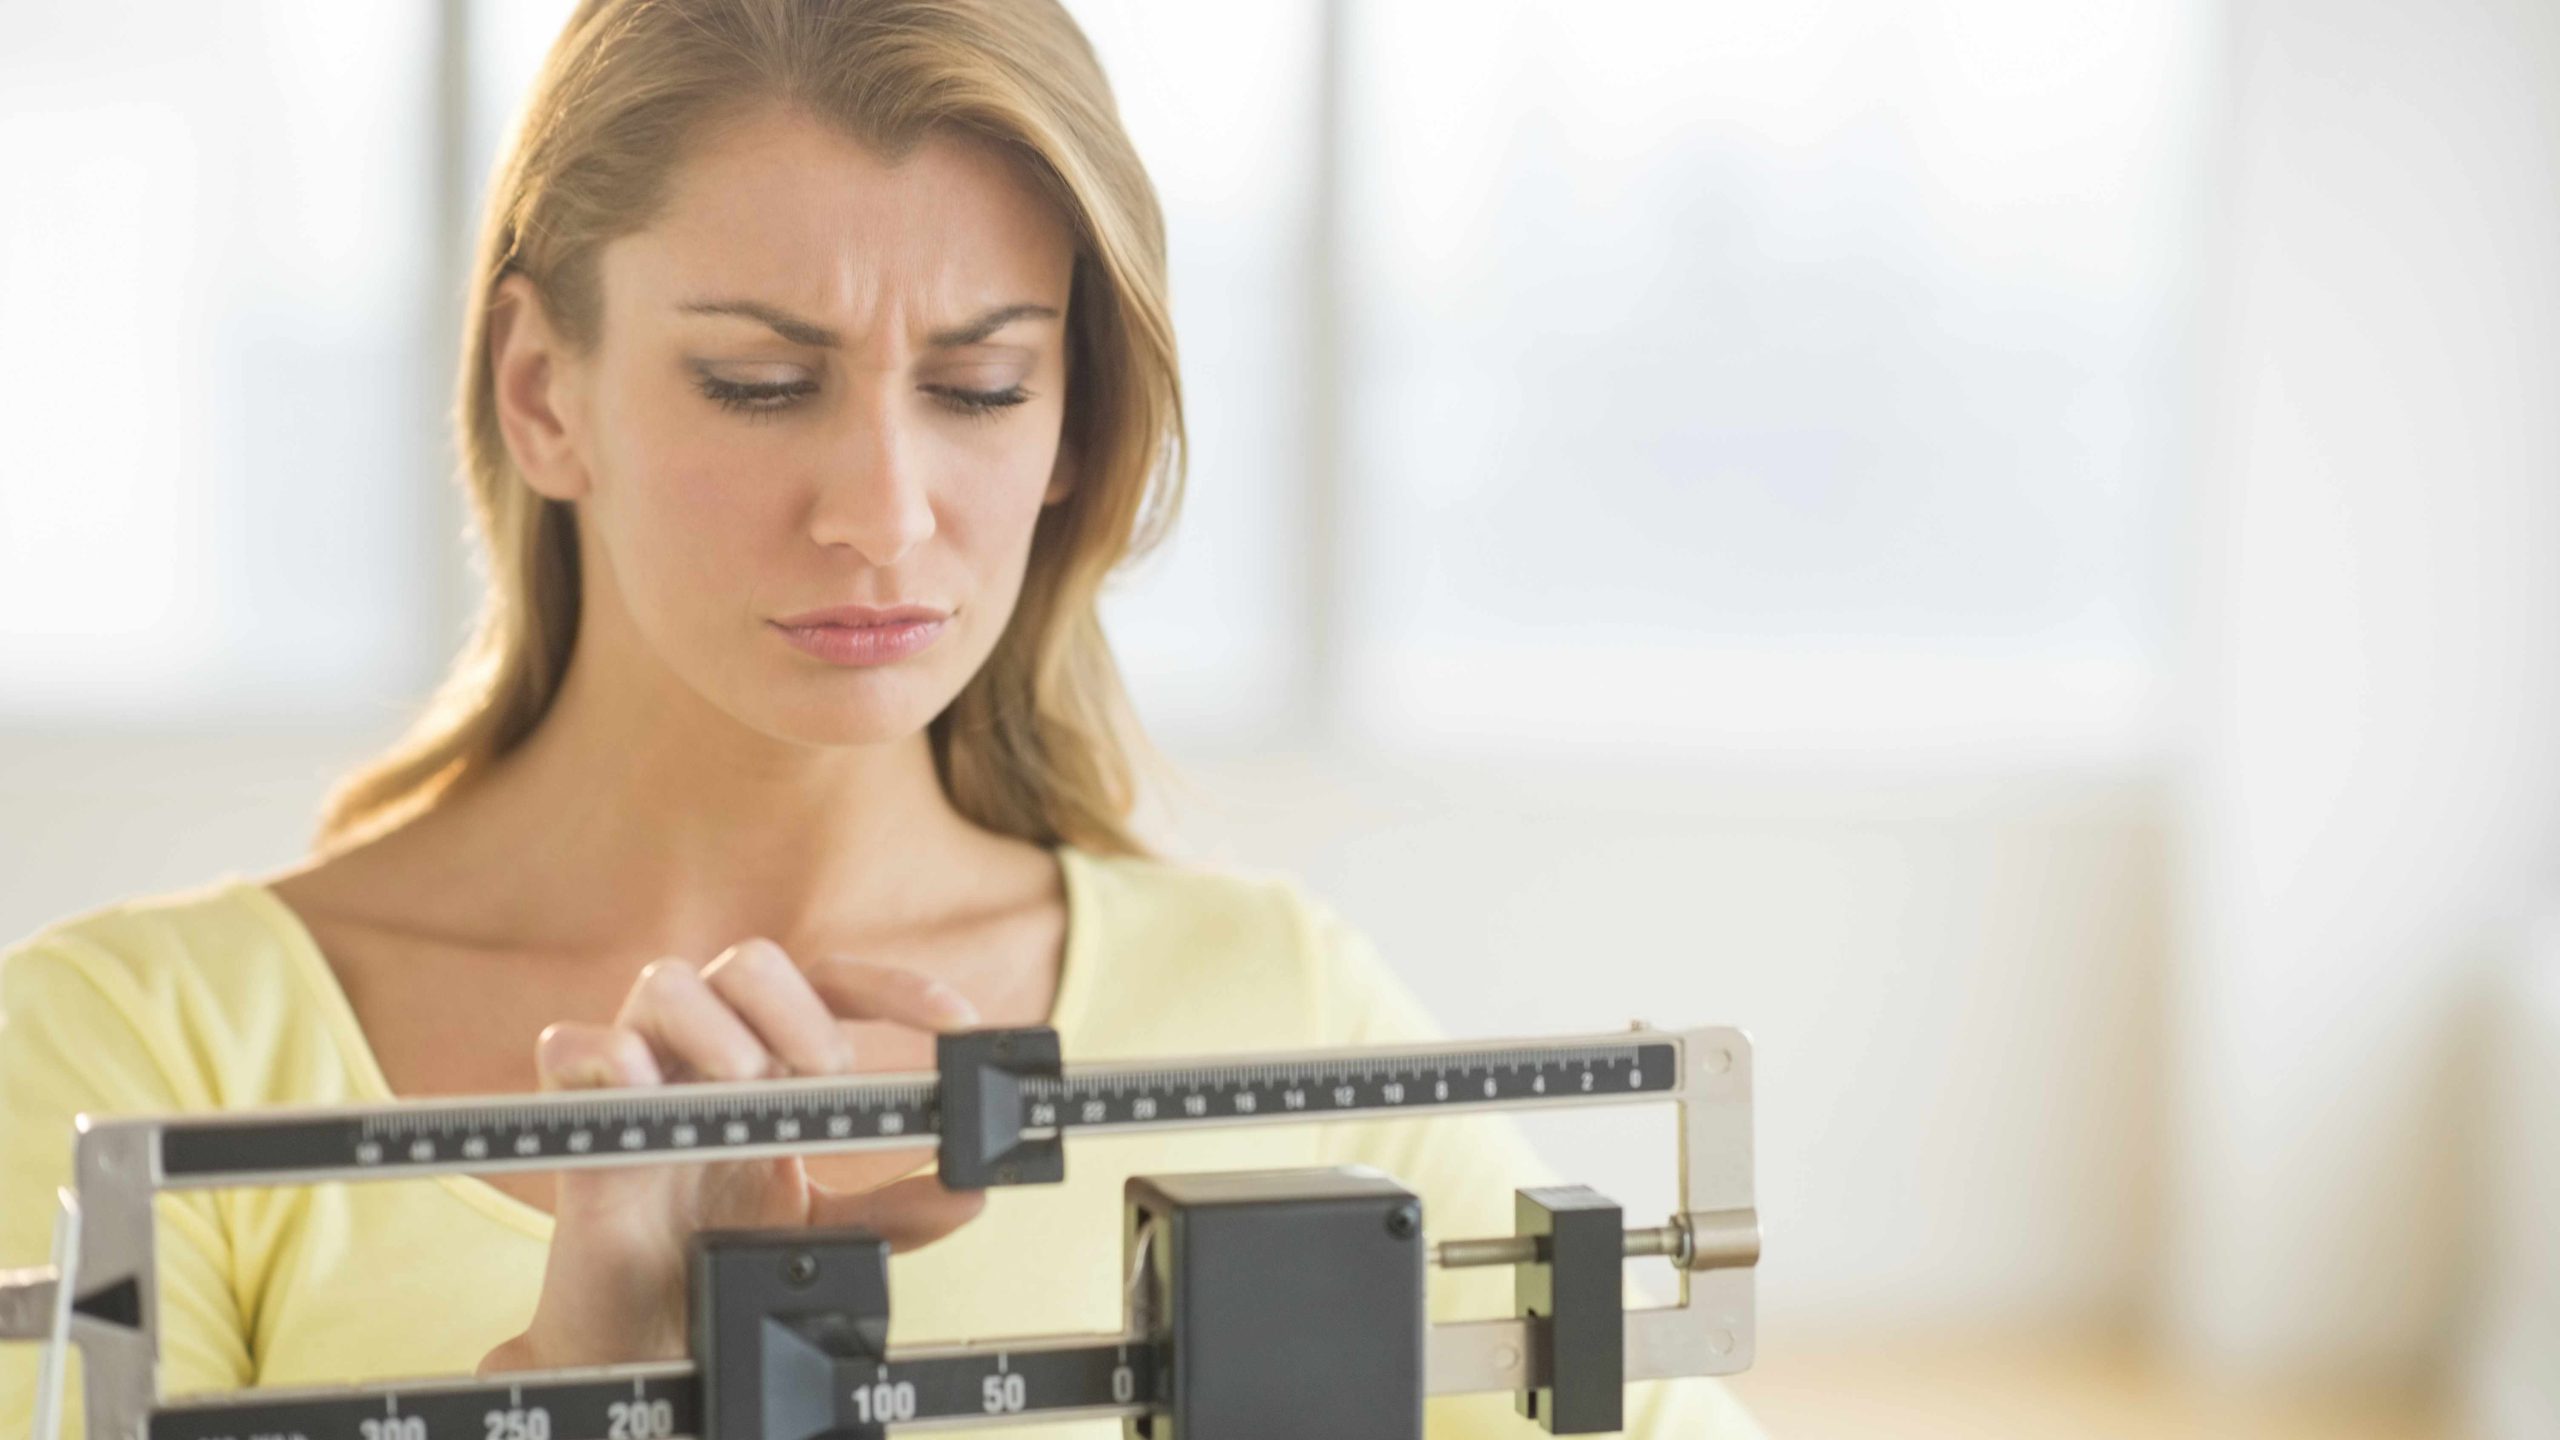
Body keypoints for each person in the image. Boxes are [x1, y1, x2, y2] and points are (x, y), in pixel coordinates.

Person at [0, 2, 1765, 1435]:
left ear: (1071, 423)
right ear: (544, 393)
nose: (885, 511)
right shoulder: (132, 1056)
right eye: (761, 384)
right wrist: (580, 1383)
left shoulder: (1277, 1002)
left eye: (981, 386)